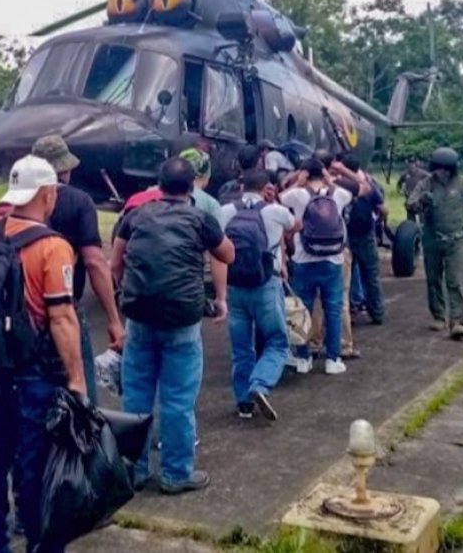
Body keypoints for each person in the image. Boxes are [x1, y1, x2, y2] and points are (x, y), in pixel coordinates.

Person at [0, 154, 87, 553]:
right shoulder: (54, 247)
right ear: (48, 194)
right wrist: (76, 380)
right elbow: (62, 317)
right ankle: (42, 544)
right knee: (34, 469)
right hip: (36, 373)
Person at [112, 157, 234, 494]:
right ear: (192, 185)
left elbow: (116, 262)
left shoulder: (136, 215)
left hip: (139, 317)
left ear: (159, 185)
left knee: (136, 397)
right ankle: (177, 473)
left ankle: (133, 470)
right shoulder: (201, 218)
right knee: (178, 399)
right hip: (182, 320)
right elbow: (228, 255)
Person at [32, 135, 125, 403]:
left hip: (23, 310)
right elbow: (95, 262)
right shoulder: (78, 201)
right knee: (80, 392)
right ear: (66, 169)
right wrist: (114, 319)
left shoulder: (14, 201)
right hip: (65, 304)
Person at [218, 168, 295, 421]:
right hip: (266, 283)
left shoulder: (226, 211)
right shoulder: (274, 211)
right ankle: (260, 385)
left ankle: (243, 404)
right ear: (267, 188)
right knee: (276, 342)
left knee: (241, 348)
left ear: (241, 187)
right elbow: (296, 225)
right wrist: (276, 200)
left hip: (235, 285)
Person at [280, 157, 367, 375]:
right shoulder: (338, 195)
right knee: (334, 309)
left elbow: (280, 198)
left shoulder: (298, 195)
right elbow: (355, 192)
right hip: (333, 259)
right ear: (324, 174)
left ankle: (303, 357)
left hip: (304, 259)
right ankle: (333, 359)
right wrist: (330, 182)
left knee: (305, 310)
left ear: (305, 174)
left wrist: (298, 182)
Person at [407, 147, 463, 340]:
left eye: (446, 168)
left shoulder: (462, 186)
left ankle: (457, 321)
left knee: (455, 281)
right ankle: (438, 315)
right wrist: (421, 202)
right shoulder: (426, 184)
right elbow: (410, 204)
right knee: (433, 279)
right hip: (432, 237)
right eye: (439, 168)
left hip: (457, 239)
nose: (442, 172)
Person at [341, 154, 386, 326]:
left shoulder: (342, 185)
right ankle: (377, 312)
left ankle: (352, 310)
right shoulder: (370, 186)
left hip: (348, 235)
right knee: (371, 276)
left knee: (349, 277)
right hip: (366, 233)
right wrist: (378, 222)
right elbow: (383, 209)